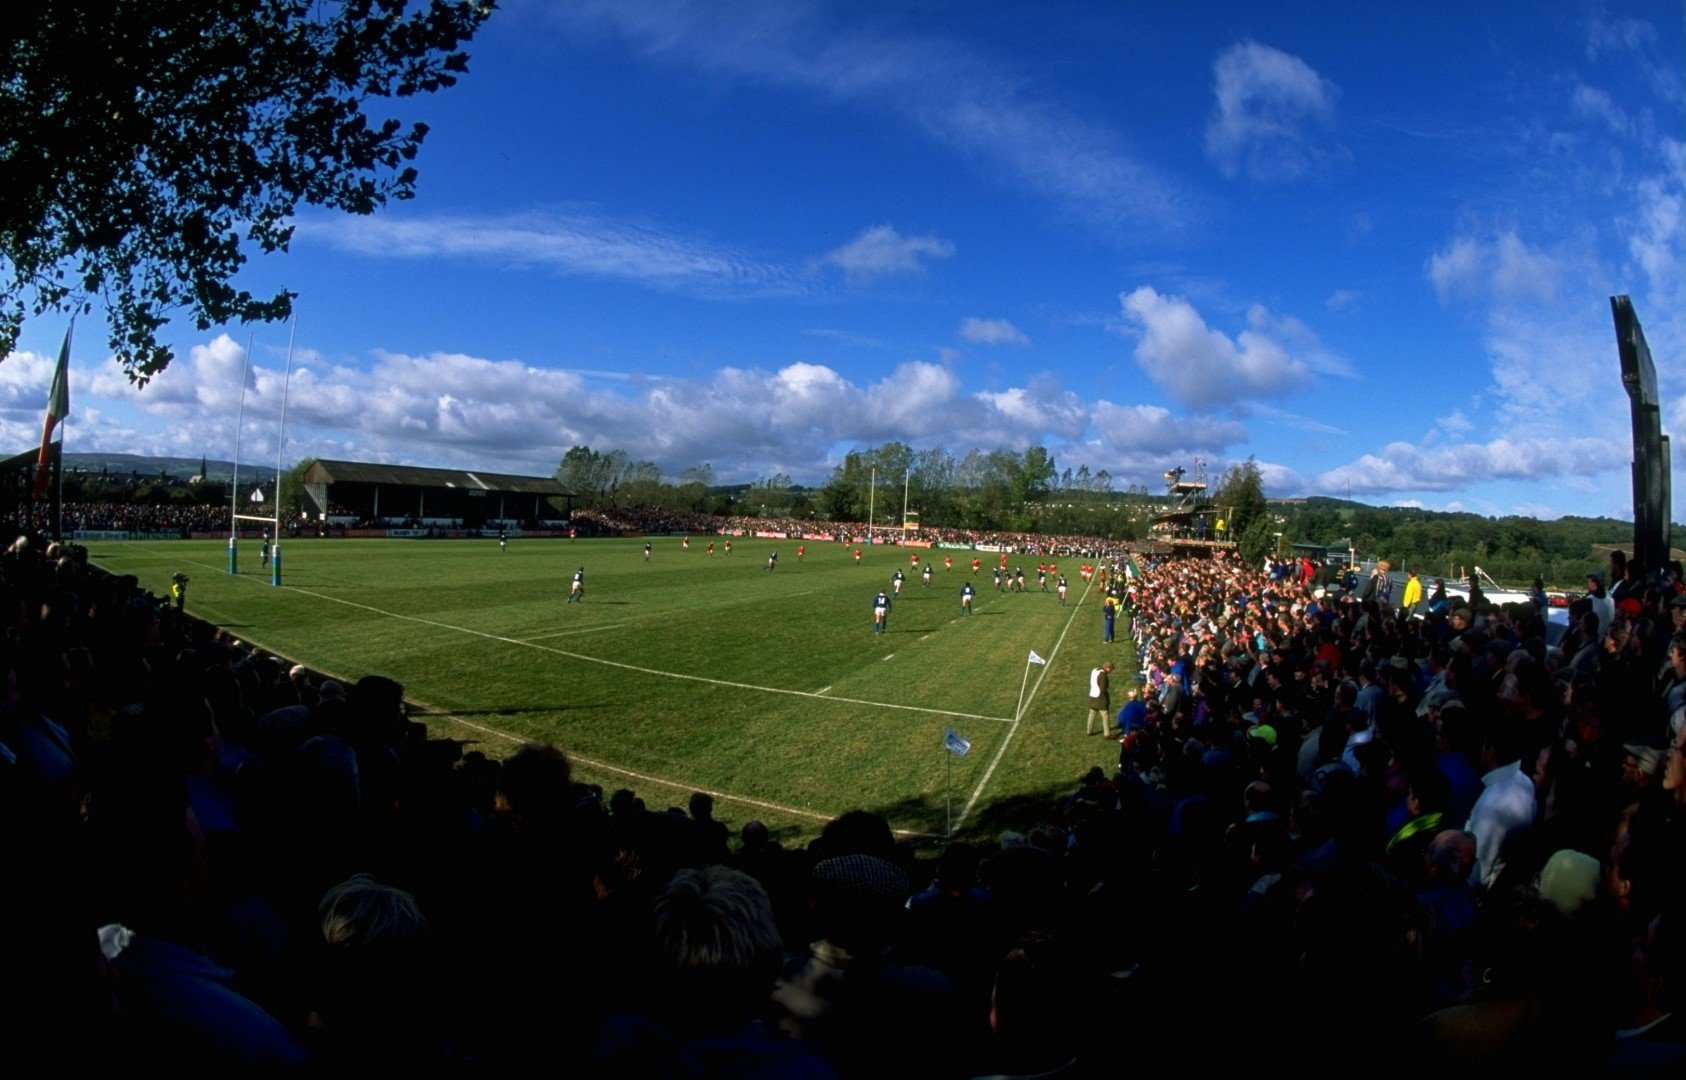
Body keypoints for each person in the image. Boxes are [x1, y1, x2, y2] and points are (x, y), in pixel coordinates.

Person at [1087, 662, 1115, 736]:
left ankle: (1089, 731)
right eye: (1111, 670)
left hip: (1093, 696)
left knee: (1092, 714)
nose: (1110, 672)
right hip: (1100, 698)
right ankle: (1107, 733)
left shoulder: (1095, 670)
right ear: (1108, 668)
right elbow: (1103, 688)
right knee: (1105, 716)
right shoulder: (1103, 675)